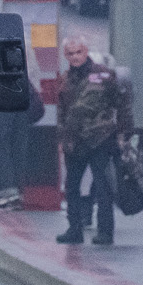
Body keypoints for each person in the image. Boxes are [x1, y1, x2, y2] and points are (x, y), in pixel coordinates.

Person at [56, 38, 130, 246]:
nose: (75, 57)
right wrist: (62, 139)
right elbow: (62, 111)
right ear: (65, 56)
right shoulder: (65, 79)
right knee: (72, 187)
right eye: (70, 53)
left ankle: (105, 231)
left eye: (78, 52)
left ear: (85, 51)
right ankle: (74, 229)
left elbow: (122, 103)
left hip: (101, 139)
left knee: (103, 186)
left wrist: (123, 133)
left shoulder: (103, 75)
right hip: (75, 141)